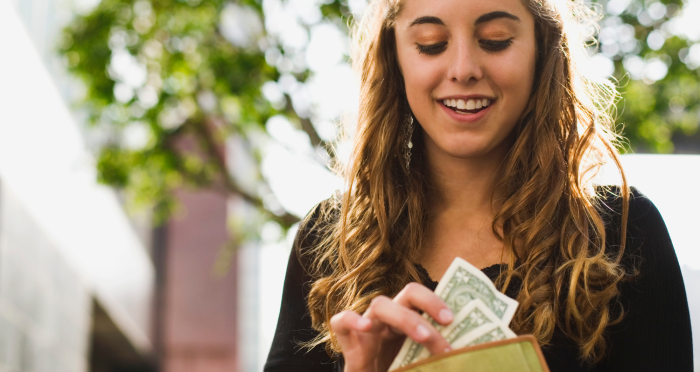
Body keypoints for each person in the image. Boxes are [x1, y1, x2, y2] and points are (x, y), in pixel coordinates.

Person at [264, 0, 694, 370]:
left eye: (495, 40)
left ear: (543, 50)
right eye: (431, 44)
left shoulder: (622, 232)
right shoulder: (330, 238)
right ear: (394, 55)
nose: (463, 69)